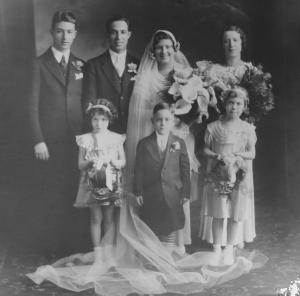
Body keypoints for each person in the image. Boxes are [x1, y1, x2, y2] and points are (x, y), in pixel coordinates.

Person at [125, 30, 192, 252]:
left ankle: (176, 242)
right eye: (159, 47)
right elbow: (139, 111)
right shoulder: (146, 77)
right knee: (155, 188)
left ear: (175, 48)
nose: (164, 51)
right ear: (153, 52)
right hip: (151, 131)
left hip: (178, 134)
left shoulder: (186, 76)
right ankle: (150, 242)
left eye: (168, 47)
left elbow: (193, 109)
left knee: (174, 185)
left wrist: (183, 117)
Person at [28, 11, 84, 256]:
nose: (64, 37)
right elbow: (30, 106)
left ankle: (74, 246)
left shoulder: (81, 64)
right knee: (52, 193)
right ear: (52, 32)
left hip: (77, 141)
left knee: (76, 192)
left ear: (75, 34)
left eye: (69, 32)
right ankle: (51, 248)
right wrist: (38, 139)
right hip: (49, 142)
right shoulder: (39, 64)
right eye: (60, 31)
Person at [199, 25, 256, 248]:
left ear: (242, 43)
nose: (231, 44)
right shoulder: (212, 70)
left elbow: (255, 104)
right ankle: (217, 241)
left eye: (235, 40)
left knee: (239, 188)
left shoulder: (250, 70)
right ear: (222, 44)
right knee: (219, 192)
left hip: (241, 136)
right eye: (226, 41)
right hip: (218, 134)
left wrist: (246, 127)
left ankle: (238, 236)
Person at [202, 87, 256, 265]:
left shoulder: (247, 129)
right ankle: (217, 247)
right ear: (224, 104)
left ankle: (229, 248)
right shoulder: (214, 127)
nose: (234, 107)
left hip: (239, 174)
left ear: (244, 106)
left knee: (235, 214)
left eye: (239, 104)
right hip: (219, 173)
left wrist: (239, 155)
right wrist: (217, 156)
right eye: (231, 103)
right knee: (219, 213)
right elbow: (205, 149)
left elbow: (252, 153)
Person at [74, 99, 125, 262]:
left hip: (110, 182)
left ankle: (108, 250)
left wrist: (114, 162)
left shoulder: (116, 139)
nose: (99, 123)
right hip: (91, 184)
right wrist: (90, 162)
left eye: (103, 120)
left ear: (109, 120)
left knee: (109, 217)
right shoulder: (85, 139)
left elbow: (123, 160)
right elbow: (80, 164)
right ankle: (97, 252)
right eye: (95, 119)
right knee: (96, 218)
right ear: (90, 120)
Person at [134, 103, 190, 250]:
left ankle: (167, 257)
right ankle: (155, 257)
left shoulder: (179, 142)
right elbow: (138, 169)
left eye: (166, 120)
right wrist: (138, 191)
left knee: (170, 226)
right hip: (151, 192)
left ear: (173, 122)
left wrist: (186, 192)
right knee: (153, 226)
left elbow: (185, 169)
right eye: (159, 120)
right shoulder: (144, 144)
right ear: (153, 121)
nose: (163, 123)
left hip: (173, 192)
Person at [82, 16, 139, 133]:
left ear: (129, 35)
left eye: (123, 32)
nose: (119, 37)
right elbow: (90, 102)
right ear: (108, 35)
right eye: (114, 32)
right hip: (105, 131)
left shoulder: (139, 64)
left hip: (133, 128)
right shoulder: (93, 65)